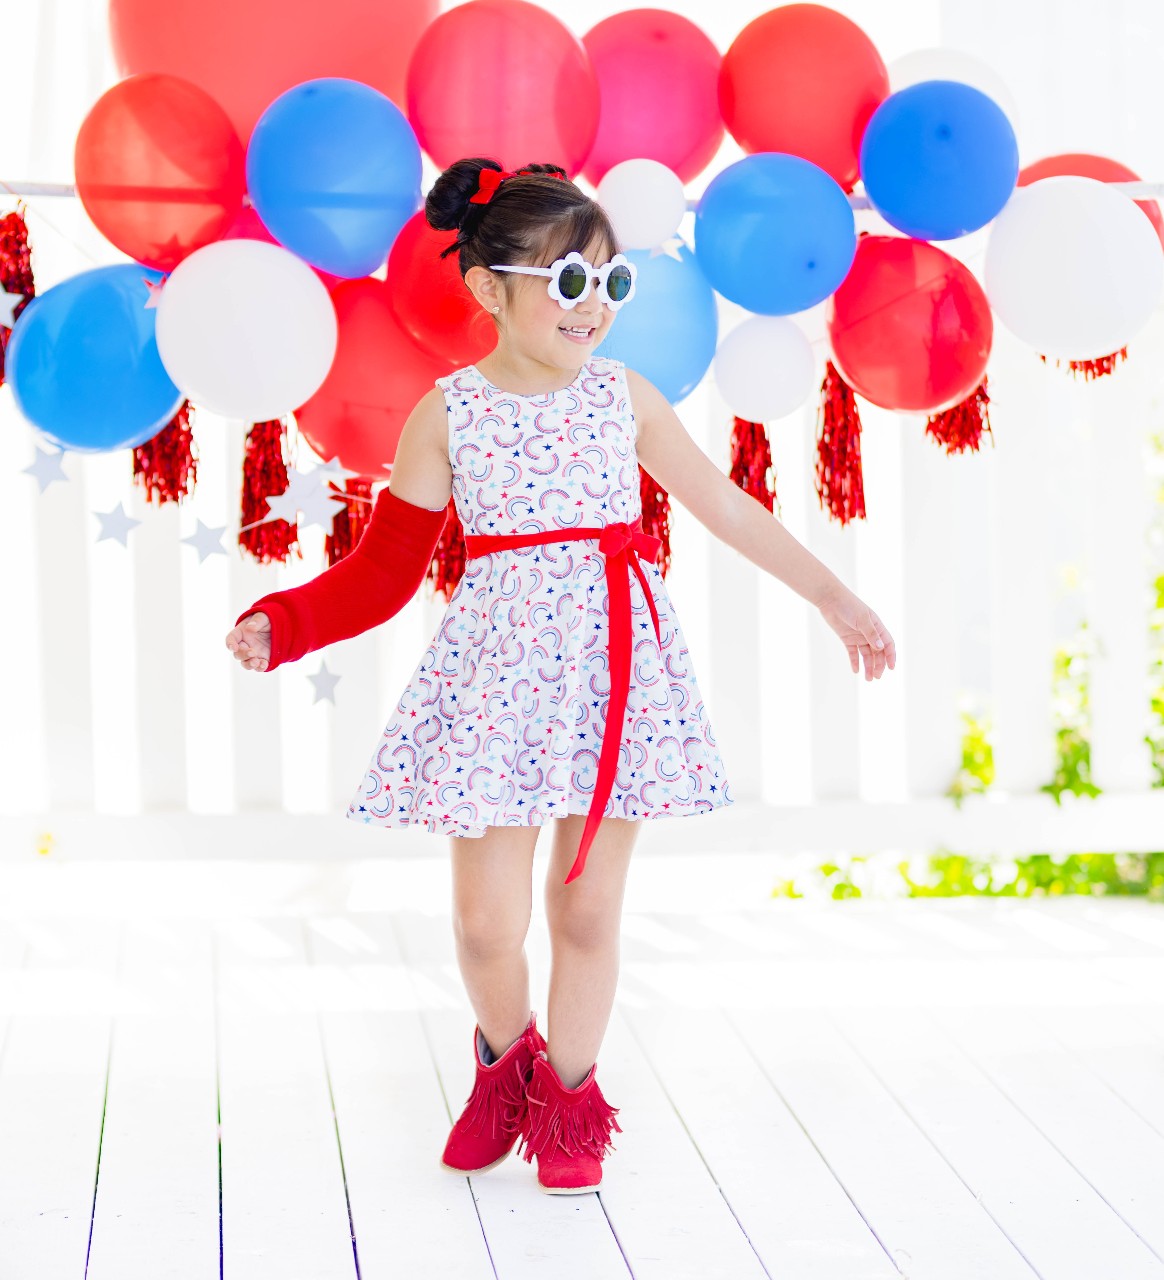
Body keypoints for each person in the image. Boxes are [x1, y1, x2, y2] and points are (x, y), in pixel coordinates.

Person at [224, 158, 896, 1195]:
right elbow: (388, 568)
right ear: (490, 288)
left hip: (609, 671)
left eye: (611, 283)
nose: (594, 307)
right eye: (566, 282)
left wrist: (833, 595)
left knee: (586, 911)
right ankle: (505, 1064)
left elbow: (724, 506)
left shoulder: (623, 397)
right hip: (497, 681)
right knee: (486, 925)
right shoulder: (448, 412)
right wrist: (290, 617)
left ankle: (572, 1098)